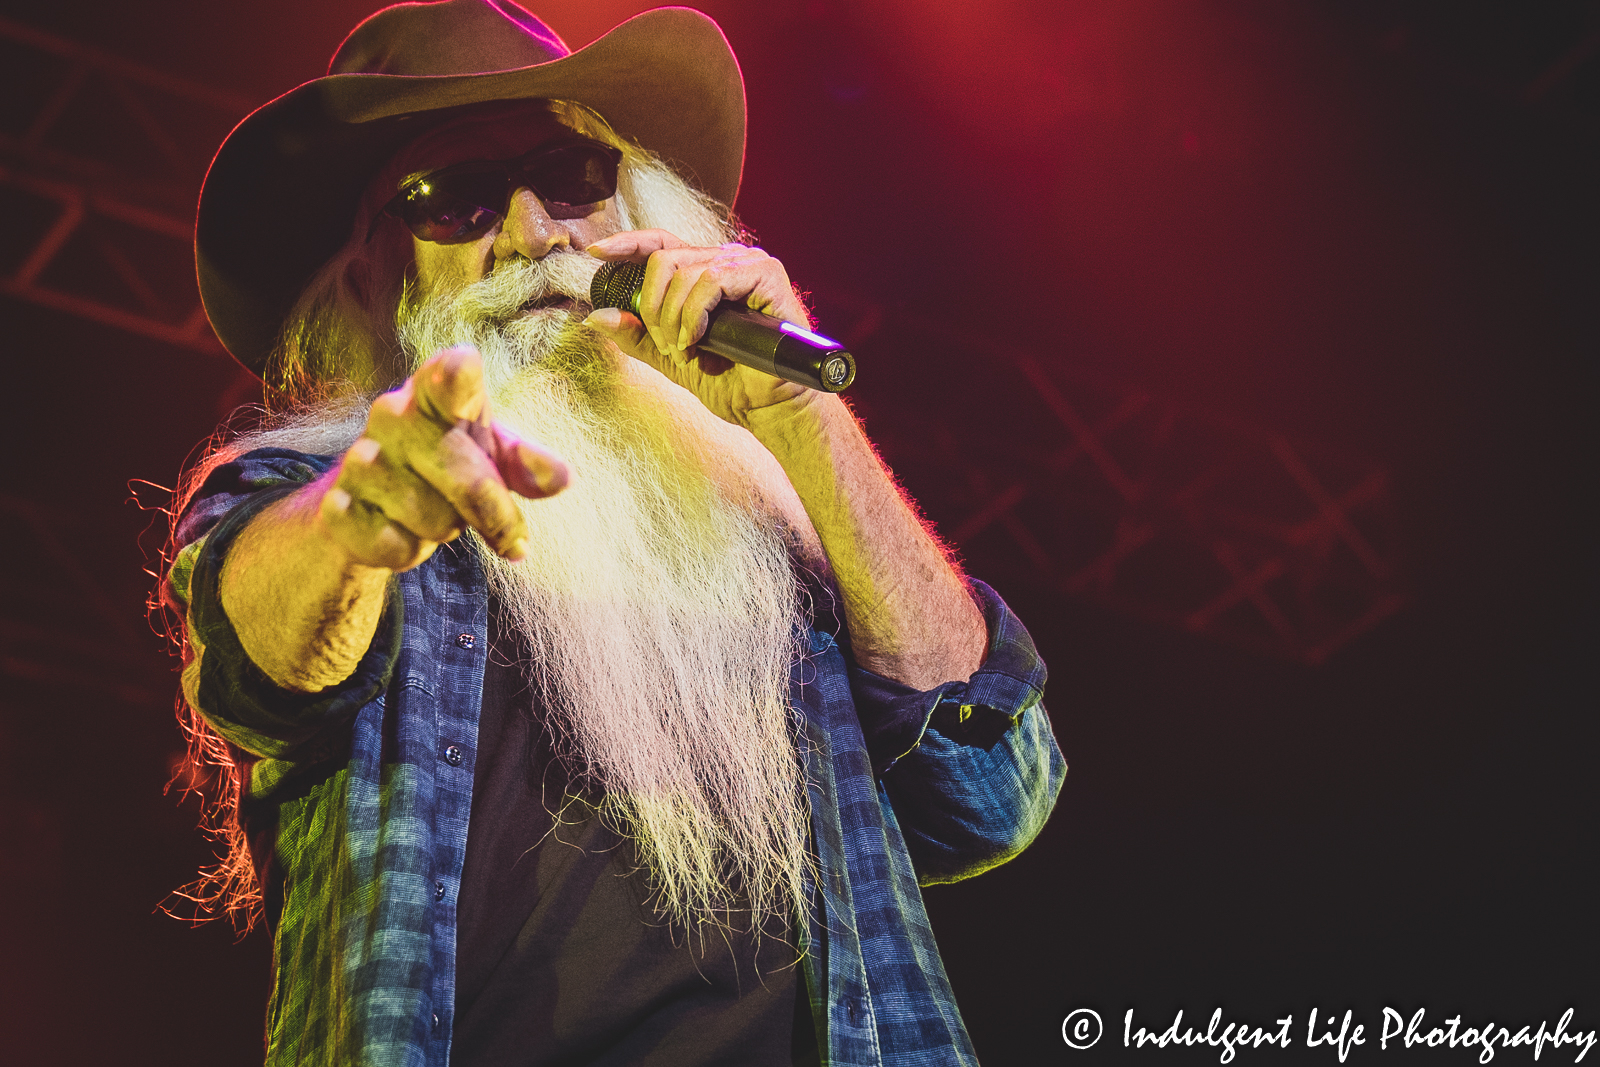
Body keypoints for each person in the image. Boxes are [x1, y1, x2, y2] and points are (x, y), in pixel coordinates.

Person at [166, 2, 1064, 1064]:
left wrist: (803, 426)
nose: (536, 232)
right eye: (451, 198)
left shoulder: (770, 516)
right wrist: (360, 525)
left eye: (570, 173)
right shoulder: (315, 482)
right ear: (373, 272)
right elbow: (254, 646)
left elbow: (993, 799)